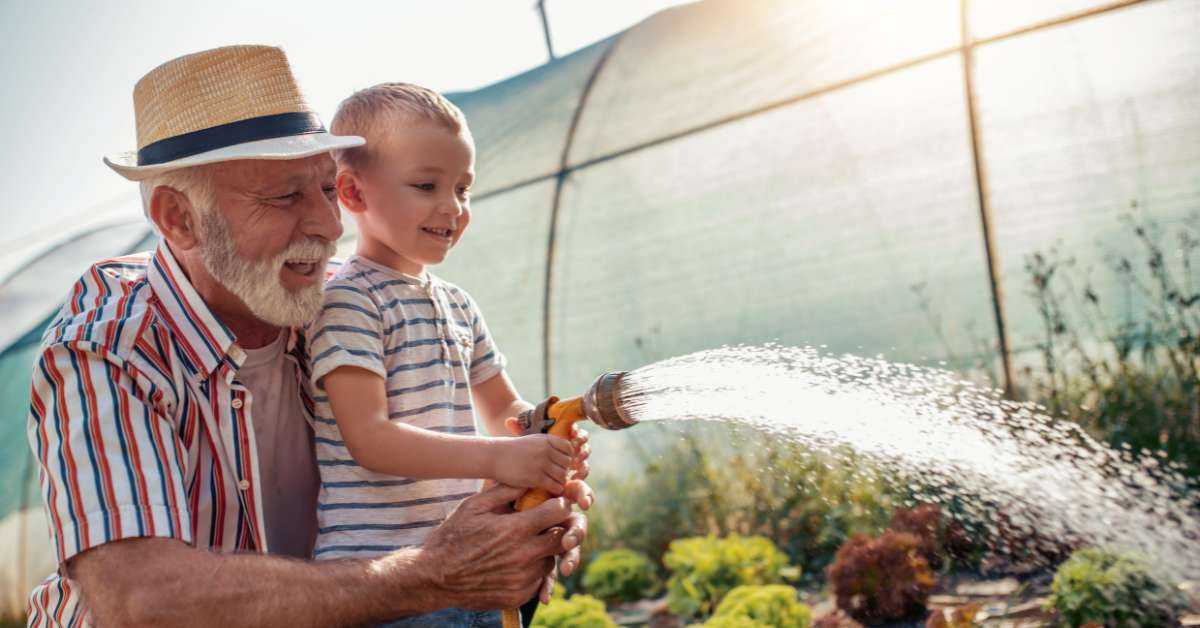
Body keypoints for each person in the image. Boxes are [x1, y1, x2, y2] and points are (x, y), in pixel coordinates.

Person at [25, 45, 592, 628]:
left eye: (326, 189)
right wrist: (433, 572)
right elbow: (144, 600)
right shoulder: (110, 345)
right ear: (179, 219)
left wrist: (533, 508)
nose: (329, 226)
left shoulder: (325, 304)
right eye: (284, 196)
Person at [303, 83, 571, 627]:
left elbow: (503, 411)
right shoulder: (350, 300)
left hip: (472, 565)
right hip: (385, 582)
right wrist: (498, 459)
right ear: (353, 194)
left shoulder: (458, 304)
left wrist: (543, 437)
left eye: (464, 189)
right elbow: (370, 439)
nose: (452, 209)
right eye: (426, 186)